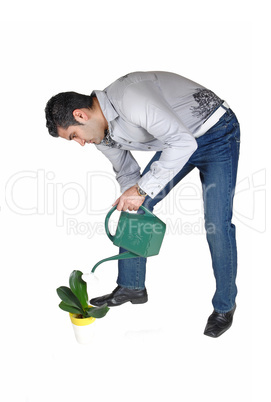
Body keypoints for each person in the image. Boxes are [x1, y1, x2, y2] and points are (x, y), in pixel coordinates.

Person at [45, 71, 240, 338]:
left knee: (217, 224)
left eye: (74, 136)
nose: (80, 143)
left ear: (80, 115)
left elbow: (183, 143)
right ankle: (131, 286)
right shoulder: (99, 133)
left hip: (215, 134)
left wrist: (140, 189)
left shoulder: (130, 98)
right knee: (132, 203)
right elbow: (127, 172)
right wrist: (132, 194)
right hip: (177, 140)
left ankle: (225, 306)